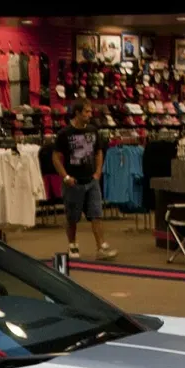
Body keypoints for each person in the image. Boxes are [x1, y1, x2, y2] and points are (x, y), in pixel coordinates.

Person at [53, 100, 114, 259]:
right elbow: (56, 158)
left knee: (96, 214)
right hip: (73, 182)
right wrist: (65, 176)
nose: (89, 115)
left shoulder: (93, 131)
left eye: (90, 111)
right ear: (77, 113)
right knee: (72, 217)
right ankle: (72, 245)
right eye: (86, 112)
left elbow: (99, 152)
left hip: (91, 181)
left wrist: (98, 172)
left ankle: (101, 246)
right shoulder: (65, 133)